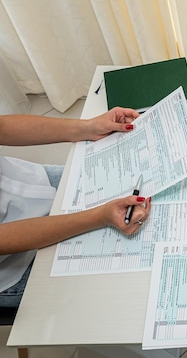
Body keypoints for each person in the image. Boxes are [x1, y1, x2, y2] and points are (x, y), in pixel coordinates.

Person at [0, 107, 152, 307]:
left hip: (30, 181)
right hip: (15, 264)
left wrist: (88, 127)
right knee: (119, 292)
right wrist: (99, 217)